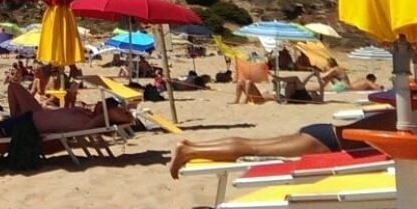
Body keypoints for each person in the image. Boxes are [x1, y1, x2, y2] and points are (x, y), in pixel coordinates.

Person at [168, 107, 398, 179]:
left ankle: (192, 146)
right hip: (326, 143)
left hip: (324, 130)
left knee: (252, 143)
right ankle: (188, 151)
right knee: (253, 148)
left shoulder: (404, 109)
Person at [0, 80, 132, 144]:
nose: (96, 103)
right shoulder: (86, 115)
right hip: (30, 116)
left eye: (101, 103)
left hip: (28, 125)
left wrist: (113, 109)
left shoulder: (91, 123)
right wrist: (71, 98)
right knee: (14, 86)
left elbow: (122, 117)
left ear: (106, 108)